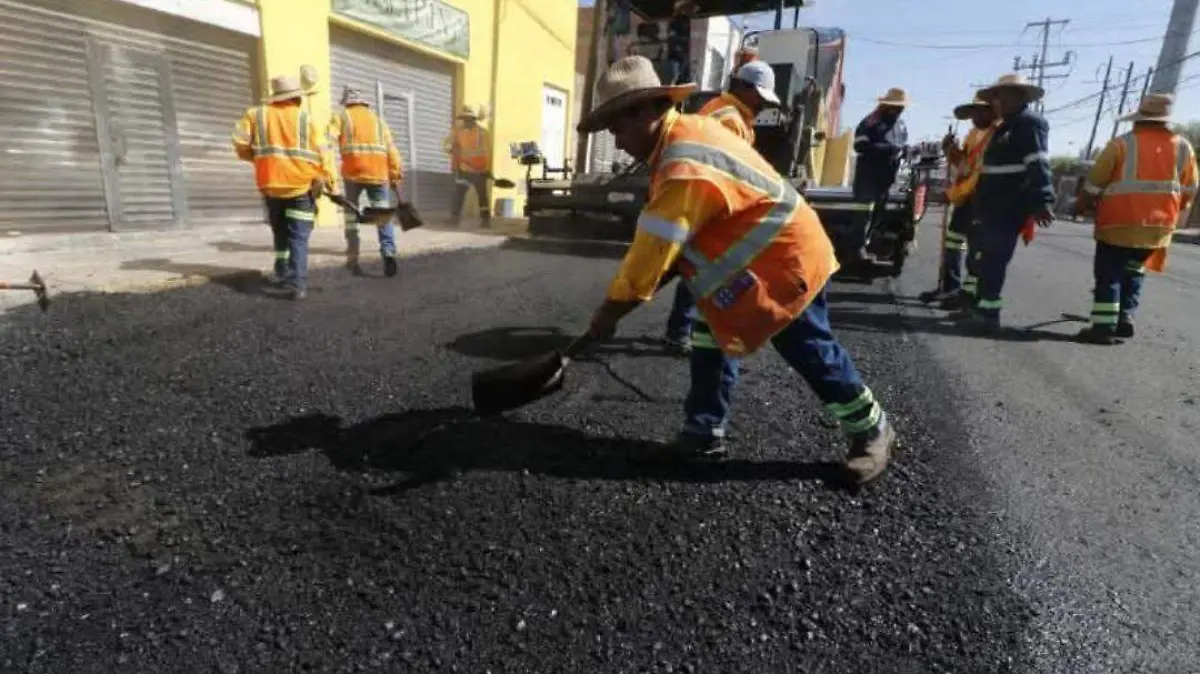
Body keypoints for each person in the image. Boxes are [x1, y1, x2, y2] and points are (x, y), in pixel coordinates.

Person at [578, 55, 897, 486]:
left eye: (618, 128)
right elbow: (673, 246)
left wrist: (609, 313)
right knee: (710, 340)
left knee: (808, 348)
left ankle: (871, 428)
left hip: (784, 260)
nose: (616, 142)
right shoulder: (681, 140)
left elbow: (653, 252)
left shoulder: (682, 162)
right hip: (742, 270)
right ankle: (703, 432)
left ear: (647, 111)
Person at [662, 59, 781, 356]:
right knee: (699, 269)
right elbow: (725, 170)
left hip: (700, 199)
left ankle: (682, 329)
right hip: (708, 203)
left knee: (696, 267)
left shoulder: (720, 108)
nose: (763, 105)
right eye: (761, 97)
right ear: (745, 88)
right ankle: (679, 332)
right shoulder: (729, 119)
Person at [1073, 93, 1197, 344]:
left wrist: (1082, 205)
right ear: (1166, 121)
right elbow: (1190, 188)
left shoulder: (1121, 144)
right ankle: (1125, 317)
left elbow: (1095, 183)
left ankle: (1103, 327)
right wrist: (1174, 211)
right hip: (1158, 227)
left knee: (1110, 273)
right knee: (1135, 269)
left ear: (1138, 119)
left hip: (1119, 222)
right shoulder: (1183, 147)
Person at [961, 74, 1055, 332]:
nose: (997, 102)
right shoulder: (1007, 125)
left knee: (993, 259)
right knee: (985, 258)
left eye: (1002, 96)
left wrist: (1043, 200)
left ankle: (988, 316)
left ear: (1020, 96)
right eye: (995, 97)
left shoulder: (1029, 124)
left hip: (1008, 204)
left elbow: (1038, 163)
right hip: (992, 204)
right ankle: (982, 309)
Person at [232, 75, 336, 301]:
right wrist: (329, 179)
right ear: (297, 97)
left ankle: (282, 271)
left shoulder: (254, 115)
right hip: (300, 187)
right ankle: (297, 285)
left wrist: (260, 160)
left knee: (279, 231)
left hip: (271, 187)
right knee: (298, 237)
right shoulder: (305, 119)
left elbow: (240, 145)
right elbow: (323, 153)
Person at [919, 97, 997, 308]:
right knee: (953, 243)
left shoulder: (996, 136)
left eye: (981, 112)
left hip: (980, 200)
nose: (975, 117)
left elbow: (978, 176)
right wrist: (951, 150)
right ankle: (950, 288)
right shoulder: (973, 134)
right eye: (973, 112)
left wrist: (953, 194)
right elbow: (964, 166)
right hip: (964, 199)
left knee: (976, 249)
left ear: (992, 112)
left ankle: (967, 295)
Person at [328, 87, 404, 277]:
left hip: (353, 175)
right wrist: (395, 174)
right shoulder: (379, 122)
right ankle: (388, 252)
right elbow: (392, 151)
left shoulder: (341, 117)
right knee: (381, 215)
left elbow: (327, 144)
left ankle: (353, 258)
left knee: (351, 216)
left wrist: (329, 176)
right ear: (364, 102)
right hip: (378, 175)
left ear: (347, 102)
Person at [851, 88, 909, 264]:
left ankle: (875, 246)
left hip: (887, 177)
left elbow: (902, 144)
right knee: (863, 214)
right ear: (886, 106)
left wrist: (903, 151)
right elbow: (859, 145)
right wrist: (887, 149)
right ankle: (856, 249)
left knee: (880, 214)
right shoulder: (870, 122)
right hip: (868, 176)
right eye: (896, 107)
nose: (899, 111)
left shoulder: (900, 125)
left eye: (901, 108)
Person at [444, 105, 492, 228]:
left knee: (482, 196)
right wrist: (450, 149)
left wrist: (485, 168)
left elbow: (485, 151)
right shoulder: (458, 131)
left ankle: (485, 220)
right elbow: (447, 144)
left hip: (479, 170)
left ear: (474, 120)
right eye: (464, 119)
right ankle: (454, 219)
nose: (466, 121)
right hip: (464, 169)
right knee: (459, 194)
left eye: (468, 119)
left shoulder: (482, 133)